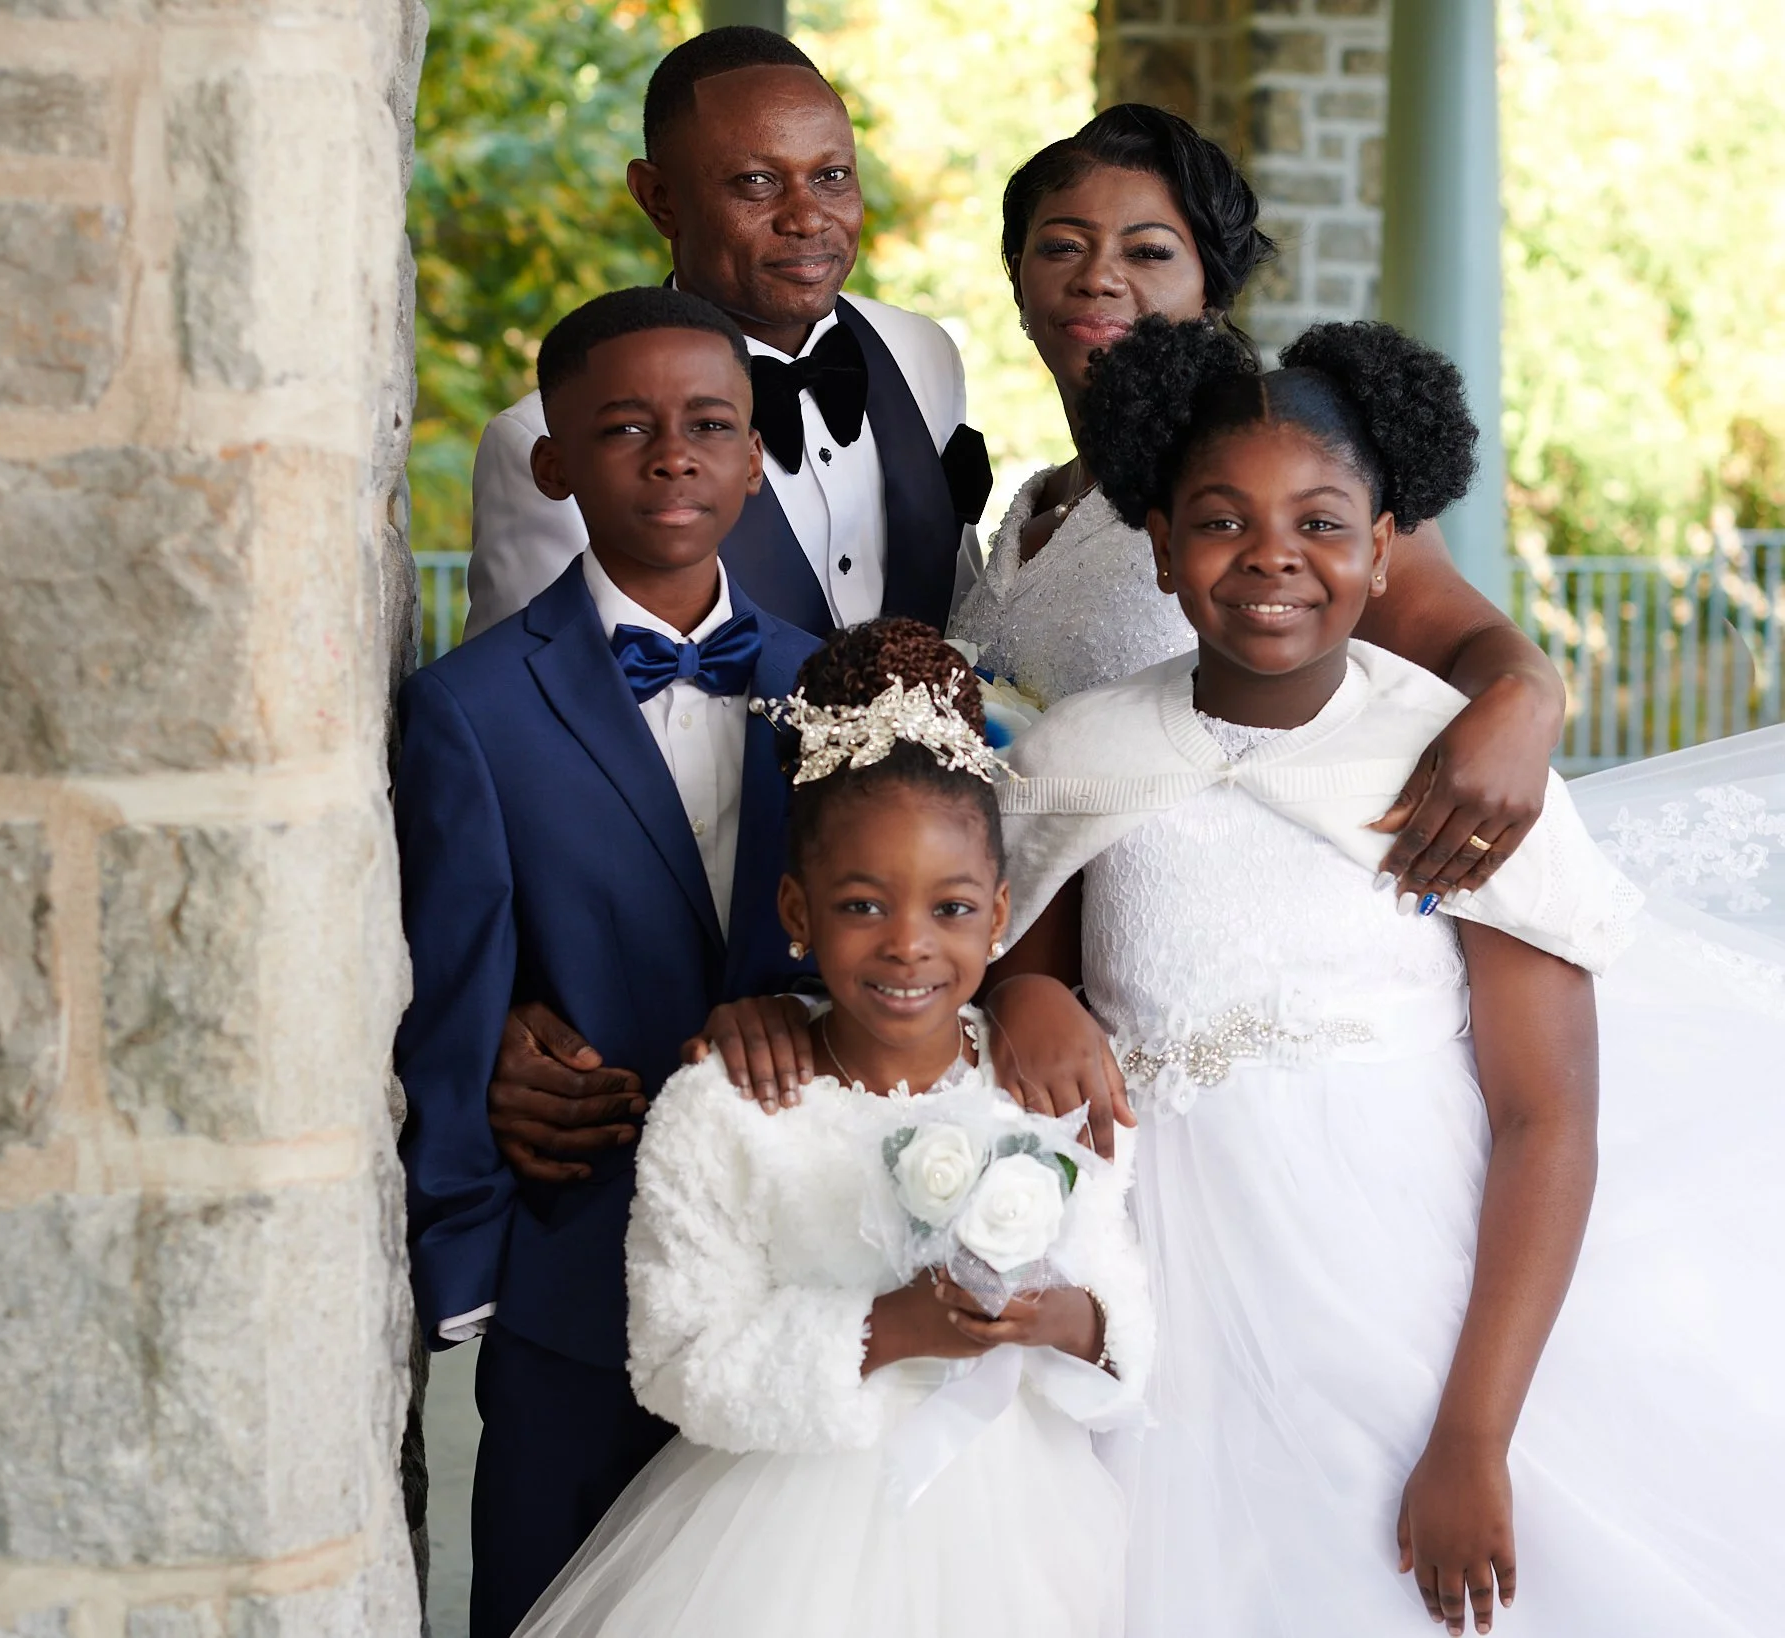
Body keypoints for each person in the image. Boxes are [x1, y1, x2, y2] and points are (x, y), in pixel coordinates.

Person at [995, 313, 1785, 1636]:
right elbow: (1023, 981)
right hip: (1161, 1287)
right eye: (1219, 520)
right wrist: (1027, 990)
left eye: (1319, 522)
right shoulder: (1082, 753)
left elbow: (1547, 1114)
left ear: (1381, 548)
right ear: (1157, 540)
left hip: (1405, 1284)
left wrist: (1475, 1432)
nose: (1270, 560)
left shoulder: (1453, 767)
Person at [513, 621, 1152, 1638]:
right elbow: (679, 1361)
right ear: (795, 913)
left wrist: (1058, 1319)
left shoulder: (1037, 1089)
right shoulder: (725, 1110)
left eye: (948, 909)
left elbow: (1125, 1318)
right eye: (861, 905)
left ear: (996, 917)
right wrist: (891, 1329)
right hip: (777, 1550)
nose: (907, 945)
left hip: (1024, 1534)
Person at [393, 286, 822, 1638]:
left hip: (797, 1259)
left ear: (759, 456)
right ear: (554, 462)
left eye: (709, 425)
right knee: (550, 1601)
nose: (673, 455)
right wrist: (469, 1268)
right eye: (624, 427)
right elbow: (454, 999)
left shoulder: (841, 688)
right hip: (577, 1276)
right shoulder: (467, 710)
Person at [950, 105, 1569, 904]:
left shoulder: (1282, 472)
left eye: (1148, 251)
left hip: (1217, 908)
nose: (1098, 275)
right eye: (1062, 246)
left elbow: (1478, 643)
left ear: (1211, 286)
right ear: (1019, 280)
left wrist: (1527, 706)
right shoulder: (1038, 502)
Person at [466, 25, 992, 643]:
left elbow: (959, 603)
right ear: (658, 198)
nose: (806, 218)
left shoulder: (923, 352)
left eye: (831, 176)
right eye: (756, 182)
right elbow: (531, 700)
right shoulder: (553, 434)